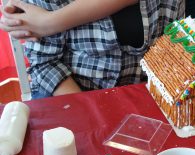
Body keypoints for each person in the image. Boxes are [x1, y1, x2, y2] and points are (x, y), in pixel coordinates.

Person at [0, 0, 185, 99]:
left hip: (140, 94)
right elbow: (44, 64)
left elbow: (170, 49)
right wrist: (91, 110)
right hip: (70, 93)